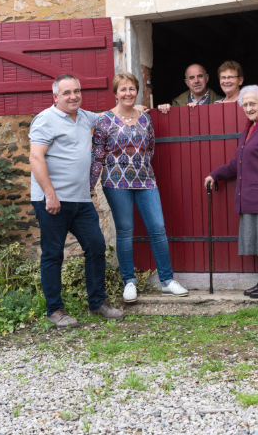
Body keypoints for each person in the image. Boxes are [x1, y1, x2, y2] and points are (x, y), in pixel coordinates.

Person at [29, 74, 124, 328]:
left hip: (81, 201)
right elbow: (36, 158)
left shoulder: (84, 116)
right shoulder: (45, 120)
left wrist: (134, 106)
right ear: (56, 97)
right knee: (53, 254)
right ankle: (55, 310)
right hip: (52, 200)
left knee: (96, 246)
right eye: (67, 92)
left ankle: (97, 303)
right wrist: (50, 194)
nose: (73, 96)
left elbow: (110, 114)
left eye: (77, 91)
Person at [90, 72, 188, 303]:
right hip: (115, 183)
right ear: (115, 93)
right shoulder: (104, 120)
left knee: (158, 228)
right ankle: (129, 282)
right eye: (123, 89)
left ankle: (166, 281)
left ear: (137, 91)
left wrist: (138, 168)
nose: (128, 93)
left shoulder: (145, 119)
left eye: (131, 89)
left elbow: (150, 148)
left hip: (145, 181)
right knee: (124, 232)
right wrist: (90, 185)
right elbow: (97, 155)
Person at [204, 85, 258, 299]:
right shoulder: (251, 128)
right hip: (251, 197)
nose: (248, 108)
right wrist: (216, 174)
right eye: (244, 104)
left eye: (252, 103)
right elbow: (239, 163)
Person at [157, 63, 222, 114]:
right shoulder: (177, 104)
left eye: (200, 76)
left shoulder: (221, 102)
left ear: (207, 78)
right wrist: (163, 110)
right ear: (187, 82)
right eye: (191, 78)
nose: (196, 81)